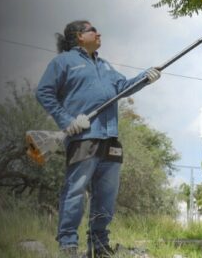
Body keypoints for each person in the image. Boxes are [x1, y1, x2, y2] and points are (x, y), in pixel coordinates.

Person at [36, 20, 161, 257]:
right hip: (83, 138)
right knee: (75, 191)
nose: (99, 32)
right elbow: (43, 92)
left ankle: (99, 246)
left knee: (106, 195)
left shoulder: (105, 66)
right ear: (78, 36)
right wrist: (67, 121)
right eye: (92, 30)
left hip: (110, 138)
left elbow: (123, 87)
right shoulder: (63, 62)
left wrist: (146, 77)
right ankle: (68, 245)